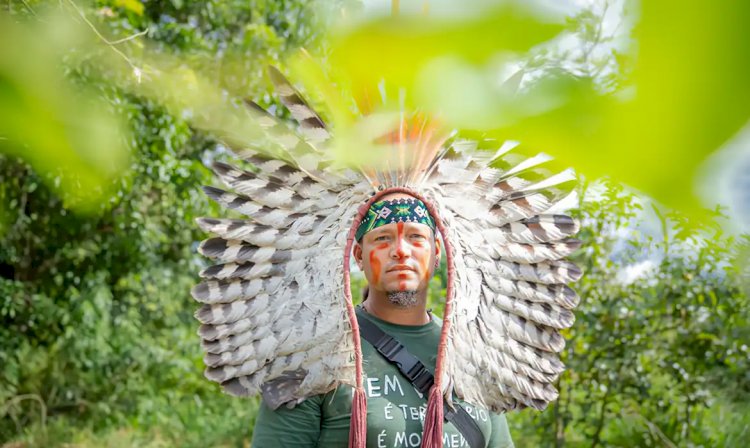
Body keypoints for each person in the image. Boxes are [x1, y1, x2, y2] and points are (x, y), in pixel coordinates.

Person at [250, 192, 515, 447]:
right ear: (358, 256)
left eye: (415, 237)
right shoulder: (311, 354)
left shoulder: (469, 355)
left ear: (436, 253)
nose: (400, 250)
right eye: (383, 239)